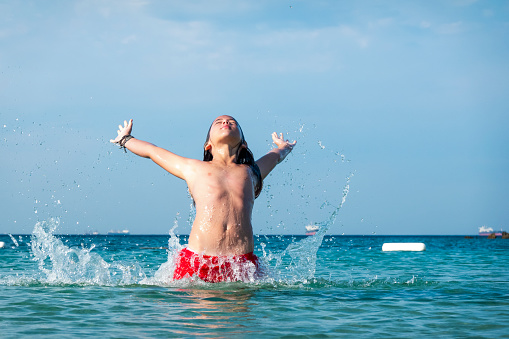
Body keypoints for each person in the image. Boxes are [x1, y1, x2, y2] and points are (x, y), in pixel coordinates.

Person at [110, 115, 296, 282]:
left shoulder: (251, 172)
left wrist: (284, 147)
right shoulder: (194, 169)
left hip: (242, 264)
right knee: (204, 318)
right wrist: (126, 140)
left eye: (232, 122)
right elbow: (153, 151)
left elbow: (276, 157)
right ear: (208, 145)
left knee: (241, 318)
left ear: (244, 144)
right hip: (198, 262)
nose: (226, 122)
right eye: (219, 122)